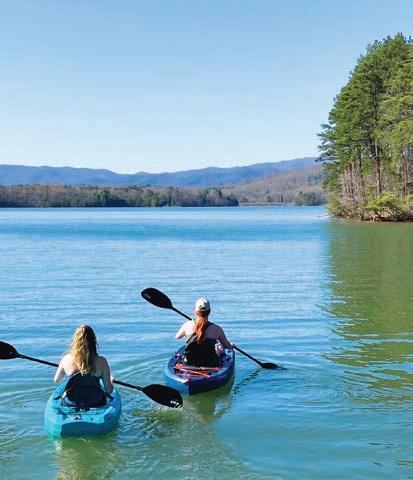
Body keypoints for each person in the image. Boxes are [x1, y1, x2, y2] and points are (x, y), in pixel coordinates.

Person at [54, 325, 114, 407]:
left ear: (75, 341)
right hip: (95, 401)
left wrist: (64, 368)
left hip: (71, 402)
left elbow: (56, 380)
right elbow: (109, 390)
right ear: (93, 341)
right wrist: (111, 381)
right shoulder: (102, 361)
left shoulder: (66, 359)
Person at [175, 298, 233, 367]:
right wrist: (232, 345)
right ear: (209, 311)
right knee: (219, 349)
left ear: (195, 311)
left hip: (188, 362)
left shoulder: (187, 324)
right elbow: (227, 346)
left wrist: (188, 331)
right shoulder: (217, 329)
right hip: (210, 363)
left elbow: (178, 336)